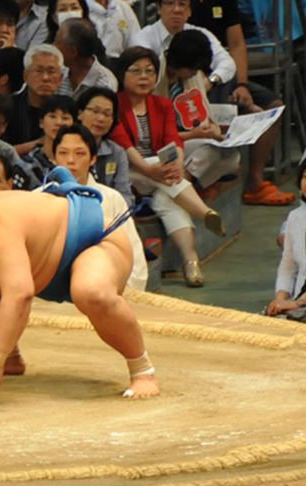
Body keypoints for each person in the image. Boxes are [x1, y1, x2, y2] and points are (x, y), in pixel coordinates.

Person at [0, 147, 159, 398]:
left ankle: (143, 371)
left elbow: (20, 294)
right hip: (42, 263)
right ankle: (12, 358)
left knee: (90, 291)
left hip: (94, 242)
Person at [108, 46, 224, 287]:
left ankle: (190, 262)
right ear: (122, 74)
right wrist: (150, 168)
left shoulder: (162, 104)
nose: (144, 77)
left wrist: (178, 165)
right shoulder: (114, 105)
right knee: (157, 168)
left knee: (166, 202)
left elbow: (174, 139)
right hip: (128, 171)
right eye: (136, 71)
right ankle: (203, 213)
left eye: (150, 72)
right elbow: (123, 145)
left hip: (162, 176)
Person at [186, 0, 289, 206]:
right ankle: (206, 183)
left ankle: (255, 182)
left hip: (224, 76)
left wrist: (241, 84)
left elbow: (237, 44)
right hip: (191, 81)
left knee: (273, 106)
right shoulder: (179, 7)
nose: (176, 8)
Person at [48, 124, 147, 291]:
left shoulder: (112, 198)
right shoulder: (39, 196)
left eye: (79, 153)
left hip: (104, 287)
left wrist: (128, 292)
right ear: (53, 158)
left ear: (93, 158)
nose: (70, 160)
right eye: (63, 153)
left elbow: (131, 250)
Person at [155, 30, 240, 190]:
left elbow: (205, 113)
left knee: (232, 157)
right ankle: (180, 188)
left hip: (194, 139)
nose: (195, 73)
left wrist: (213, 130)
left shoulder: (191, 77)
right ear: (178, 63)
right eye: (192, 69)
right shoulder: (156, 80)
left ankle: (194, 183)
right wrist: (192, 135)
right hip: (167, 145)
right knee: (209, 152)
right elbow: (156, 134)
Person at [2, 44, 64, 155]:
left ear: (60, 79)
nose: (45, 78)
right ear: (26, 76)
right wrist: (39, 143)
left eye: (51, 71)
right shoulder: (7, 106)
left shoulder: (68, 109)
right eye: (39, 71)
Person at [76, 86, 132, 204]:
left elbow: (125, 195)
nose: (101, 118)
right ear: (80, 114)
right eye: (95, 111)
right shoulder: (66, 147)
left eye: (107, 114)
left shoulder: (117, 152)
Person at [267, 163, 306, 316]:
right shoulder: (295, 217)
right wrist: (280, 300)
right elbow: (288, 267)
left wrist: (298, 303)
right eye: (304, 177)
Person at [54, 17, 117, 99]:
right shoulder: (57, 72)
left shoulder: (105, 84)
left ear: (73, 51)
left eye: (57, 41)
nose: (53, 46)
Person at [21, 94, 78, 186]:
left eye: (65, 118)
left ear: (74, 124)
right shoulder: (26, 165)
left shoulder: (82, 162)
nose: (59, 123)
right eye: (52, 116)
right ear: (41, 122)